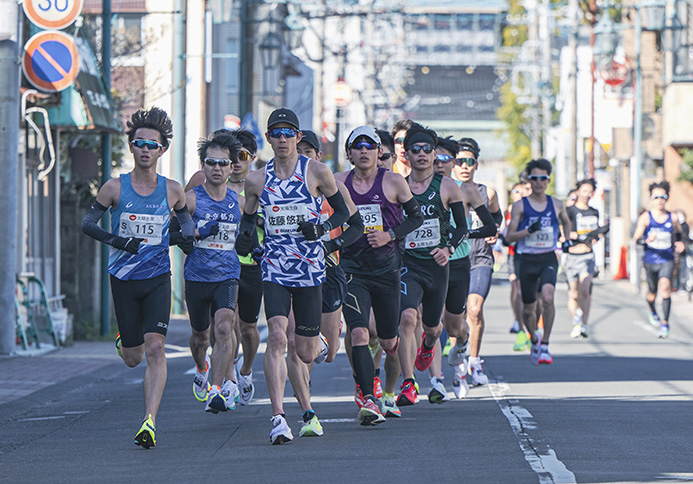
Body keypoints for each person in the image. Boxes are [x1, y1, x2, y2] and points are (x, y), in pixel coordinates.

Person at [237, 108, 350, 444]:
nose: (283, 138)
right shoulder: (256, 179)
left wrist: (322, 228)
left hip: (311, 270)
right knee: (276, 336)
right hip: (273, 268)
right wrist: (249, 240)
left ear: (299, 138)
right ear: (269, 138)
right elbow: (248, 220)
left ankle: (308, 408)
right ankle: (277, 416)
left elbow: (343, 212)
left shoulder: (316, 171)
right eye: (277, 133)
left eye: (289, 133)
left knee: (305, 352)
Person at [81, 107, 191, 448]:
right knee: (133, 357)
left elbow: (185, 226)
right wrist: (119, 242)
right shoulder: (114, 187)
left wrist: (186, 237)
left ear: (162, 150)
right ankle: (124, 340)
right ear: (131, 147)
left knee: (156, 347)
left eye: (152, 144)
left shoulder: (173, 191)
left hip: (158, 276)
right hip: (123, 278)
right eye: (139, 143)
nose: (145, 149)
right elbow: (88, 224)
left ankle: (149, 422)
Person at [396, 126, 496, 407]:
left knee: (446, 327)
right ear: (407, 155)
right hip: (411, 263)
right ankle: (411, 383)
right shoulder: (399, 185)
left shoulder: (454, 188)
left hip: (452, 263)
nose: (426, 156)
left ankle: (456, 345)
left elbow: (469, 226)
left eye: (431, 151)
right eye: (417, 150)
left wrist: (450, 246)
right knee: (407, 318)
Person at [335, 125, 423, 424]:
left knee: (388, 341)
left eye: (369, 146)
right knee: (359, 332)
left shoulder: (393, 182)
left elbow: (417, 217)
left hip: (387, 270)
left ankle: (388, 390)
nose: (363, 151)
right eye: (357, 146)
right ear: (349, 153)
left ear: (378, 153)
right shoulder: (337, 182)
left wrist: (390, 235)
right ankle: (368, 397)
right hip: (351, 270)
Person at [287, 129, 362, 437]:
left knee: (326, 353)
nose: (302, 155)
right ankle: (306, 408)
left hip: (328, 269)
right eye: (298, 149)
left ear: (318, 155)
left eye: (308, 151)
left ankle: (326, 337)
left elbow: (355, 224)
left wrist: (330, 244)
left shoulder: (332, 184)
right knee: (293, 339)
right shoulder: (278, 185)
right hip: (290, 271)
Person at [185, 129, 262, 407]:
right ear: (203, 165)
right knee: (199, 337)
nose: (217, 167)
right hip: (197, 276)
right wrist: (194, 232)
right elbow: (174, 233)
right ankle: (202, 368)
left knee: (229, 326)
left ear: (233, 166)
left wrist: (255, 249)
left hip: (230, 274)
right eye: (210, 162)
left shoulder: (242, 200)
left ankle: (219, 387)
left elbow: (249, 235)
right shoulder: (192, 197)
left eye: (223, 163)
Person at [505, 158, 572, 366]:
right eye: (535, 178)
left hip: (547, 257)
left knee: (548, 298)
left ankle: (545, 343)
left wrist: (567, 239)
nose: (539, 182)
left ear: (548, 180)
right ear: (529, 180)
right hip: (526, 260)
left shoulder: (556, 204)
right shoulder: (519, 206)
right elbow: (509, 237)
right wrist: (528, 231)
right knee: (528, 310)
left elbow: (567, 222)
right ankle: (533, 338)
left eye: (543, 178)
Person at [450, 137, 502, 386]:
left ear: (476, 165)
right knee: (455, 316)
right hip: (455, 259)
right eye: (459, 161)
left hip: (479, 257)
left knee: (474, 309)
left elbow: (496, 218)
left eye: (469, 162)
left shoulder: (487, 193)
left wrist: (495, 231)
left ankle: (474, 359)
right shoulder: (446, 191)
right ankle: (459, 360)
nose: (464, 166)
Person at [632, 181, 685, 338]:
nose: (660, 200)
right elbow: (636, 238)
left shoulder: (672, 217)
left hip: (667, 258)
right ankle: (652, 309)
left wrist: (680, 242)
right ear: (651, 199)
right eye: (656, 197)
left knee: (666, 287)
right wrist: (646, 239)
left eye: (663, 197)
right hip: (650, 259)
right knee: (652, 293)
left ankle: (665, 323)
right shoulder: (646, 218)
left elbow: (679, 233)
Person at [564, 178, 603, 339]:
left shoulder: (594, 212)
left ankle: (584, 325)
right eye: (584, 190)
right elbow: (562, 230)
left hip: (588, 256)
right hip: (572, 255)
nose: (587, 194)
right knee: (574, 293)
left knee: (585, 289)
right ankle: (576, 321)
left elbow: (597, 233)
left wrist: (596, 237)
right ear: (578, 191)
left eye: (590, 191)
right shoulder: (570, 211)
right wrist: (569, 235)